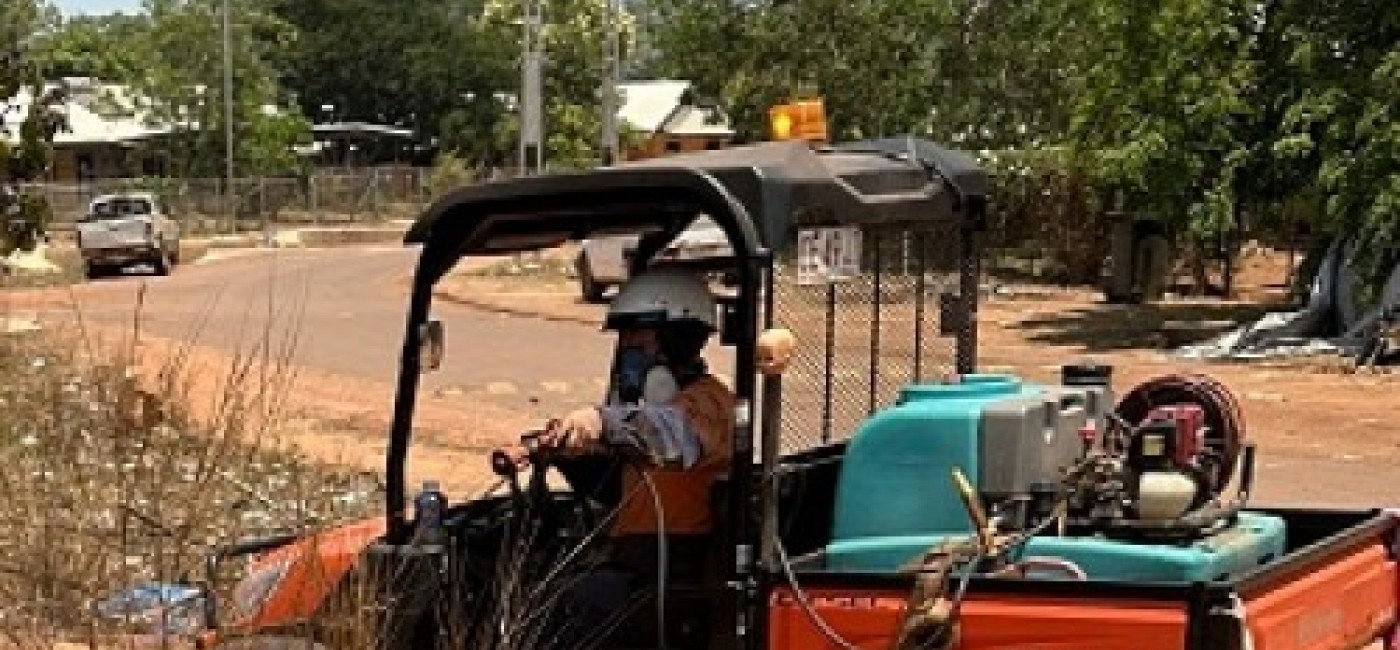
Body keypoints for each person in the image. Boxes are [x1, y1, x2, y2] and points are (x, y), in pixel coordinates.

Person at [496, 267, 736, 648]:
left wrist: (602, 424)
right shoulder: (652, 408)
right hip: (638, 564)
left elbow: (670, 438)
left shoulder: (709, 404)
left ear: (677, 339)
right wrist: (561, 450)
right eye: (623, 337)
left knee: (565, 607)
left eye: (636, 338)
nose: (626, 348)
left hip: (673, 572)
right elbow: (616, 485)